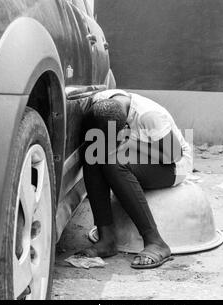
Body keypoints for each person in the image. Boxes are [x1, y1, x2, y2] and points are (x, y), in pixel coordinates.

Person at [80, 89, 193, 269]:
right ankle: (106, 238)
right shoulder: (102, 101)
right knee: (92, 153)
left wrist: (131, 143)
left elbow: (174, 155)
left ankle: (155, 241)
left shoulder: (149, 116)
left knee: (115, 163)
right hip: (134, 154)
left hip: (172, 165)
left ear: (125, 122)